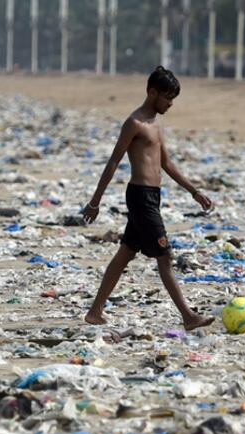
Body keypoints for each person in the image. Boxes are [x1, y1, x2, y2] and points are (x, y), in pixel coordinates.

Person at [82, 66, 215, 331]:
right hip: (140, 197)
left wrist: (194, 191)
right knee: (165, 256)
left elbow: (166, 163)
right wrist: (95, 202)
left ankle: (95, 312)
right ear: (152, 92)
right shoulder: (135, 123)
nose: (170, 103)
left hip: (153, 196)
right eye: (167, 97)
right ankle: (188, 317)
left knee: (125, 253)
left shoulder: (156, 124)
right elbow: (113, 162)